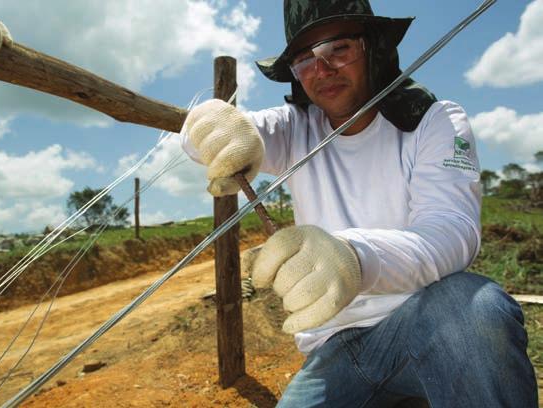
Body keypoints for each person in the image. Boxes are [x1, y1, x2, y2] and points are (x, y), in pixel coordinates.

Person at [183, 1, 538, 407]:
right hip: (332, 350)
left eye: (339, 49)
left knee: (476, 307)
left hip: (426, 322)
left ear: (373, 49)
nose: (323, 69)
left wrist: (354, 256)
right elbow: (213, 136)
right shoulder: (295, 126)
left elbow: (452, 231)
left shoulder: (434, 121)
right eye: (305, 59)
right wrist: (210, 124)